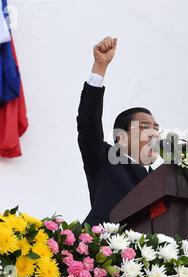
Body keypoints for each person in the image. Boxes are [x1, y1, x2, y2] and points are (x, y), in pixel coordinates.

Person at [77, 36, 161, 225]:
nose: (154, 134)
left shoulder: (161, 181)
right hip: (102, 250)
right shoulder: (105, 159)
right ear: (121, 138)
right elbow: (88, 123)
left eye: (156, 129)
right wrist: (100, 67)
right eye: (145, 128)